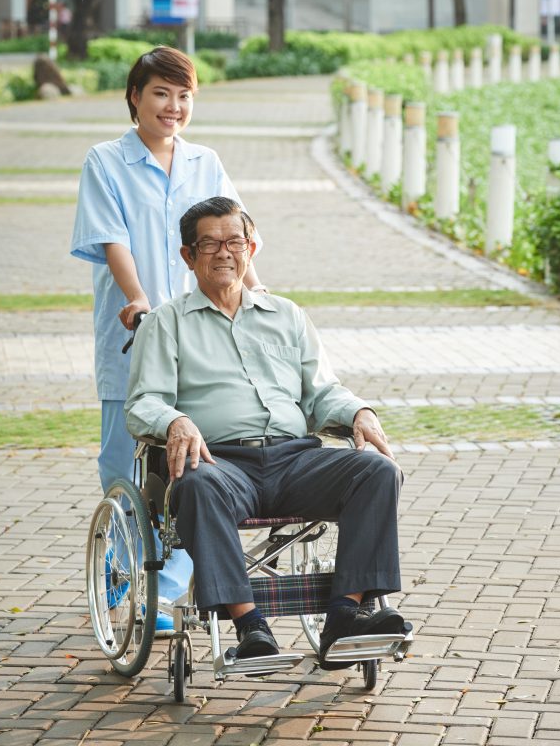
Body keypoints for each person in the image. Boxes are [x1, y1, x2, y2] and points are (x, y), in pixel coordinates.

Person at [125, 196, 407, 668]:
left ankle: (345, 616)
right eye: (209, 243)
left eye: (234, 241)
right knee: (195, 486)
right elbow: (142, 403)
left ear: (251, 247)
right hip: (222, 463)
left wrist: (359, 411)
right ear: (188, 256)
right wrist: (174, 420)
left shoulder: (287, 315)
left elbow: (321, 393)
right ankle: (251, 626)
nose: (223, 252)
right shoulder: (167, 323)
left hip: (296, 460)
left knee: (376, 471)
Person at [71, 48, 265, 630]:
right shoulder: (106, 161)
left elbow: (235, 238)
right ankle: (120, 560)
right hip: (133, 333)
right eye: (161, 93)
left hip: (202, 335)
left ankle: (170, 583)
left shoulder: (206, 162)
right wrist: (137, 299)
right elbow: (113, 240)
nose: (173, 107)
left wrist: (261, 300)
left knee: (196, 457)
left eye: (183, 96)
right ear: (135, 95)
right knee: (124, 461)